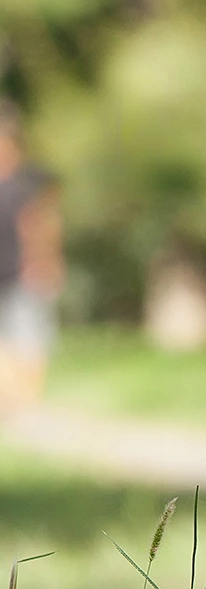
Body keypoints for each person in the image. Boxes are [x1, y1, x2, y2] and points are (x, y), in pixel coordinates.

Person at [0, 100, 63, 412]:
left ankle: (26, 403)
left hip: (22, 271)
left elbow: (40, 226)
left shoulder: (28, 183)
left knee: (27, 334)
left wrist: (45, 262)